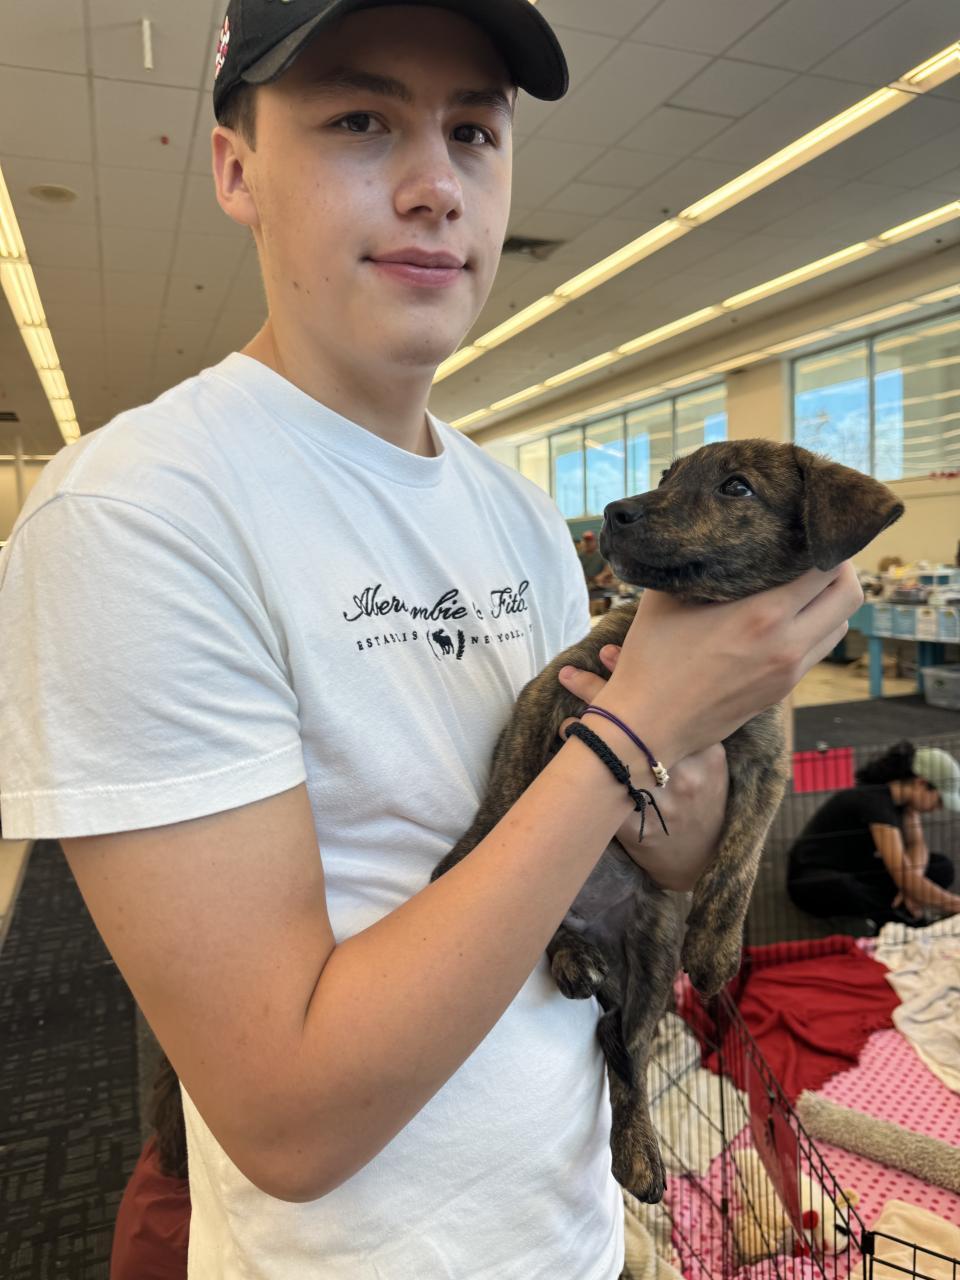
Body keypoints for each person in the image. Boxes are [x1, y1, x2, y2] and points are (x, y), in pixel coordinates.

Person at [0, 2, 862, 1277]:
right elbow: (291, 1115)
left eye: (474, 132)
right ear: (235, 168)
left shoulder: (517, 509)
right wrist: (634, 730)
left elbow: (659, 858)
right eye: (361, 120)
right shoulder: (135, 515)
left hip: (572, 1232)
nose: (436, 186)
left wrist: (698, 745)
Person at [787, 742, 960, 926]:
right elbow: (902, 874)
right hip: (812, 878)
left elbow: (916, 845)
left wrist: (911, 885)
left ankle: (897, 909)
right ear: (921, 783)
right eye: (939, 800)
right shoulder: (877, 804)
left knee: (940, 866)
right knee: (843, 886)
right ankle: (902, 918)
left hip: (856, 868)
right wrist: (953, 903)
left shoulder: (904, 803)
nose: (939, 808)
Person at [579, 530, 616, 615]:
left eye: (590, 541)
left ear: (595, 542)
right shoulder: (579, 557)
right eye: (586, 541)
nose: (587, 543)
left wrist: (601, 575)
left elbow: (609, 568)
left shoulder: (600, 555)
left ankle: (606, 613)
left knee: (610, 594)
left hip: (599, 586)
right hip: (585, 587)